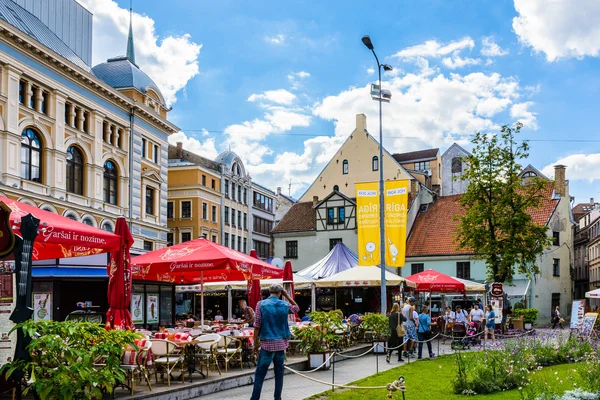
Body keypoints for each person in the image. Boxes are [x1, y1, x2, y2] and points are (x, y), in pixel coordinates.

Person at [251, 285, 299, 400]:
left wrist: (255, 342)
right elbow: (296, 308)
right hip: (281, 342)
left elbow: (257, 325)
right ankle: (277, 398)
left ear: (269, 291)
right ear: (280, 292)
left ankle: (255, 398)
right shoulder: (284, 304)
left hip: (267, 342)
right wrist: (286, 295)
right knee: (279, 374)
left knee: (260, 374)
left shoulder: (261, 304)